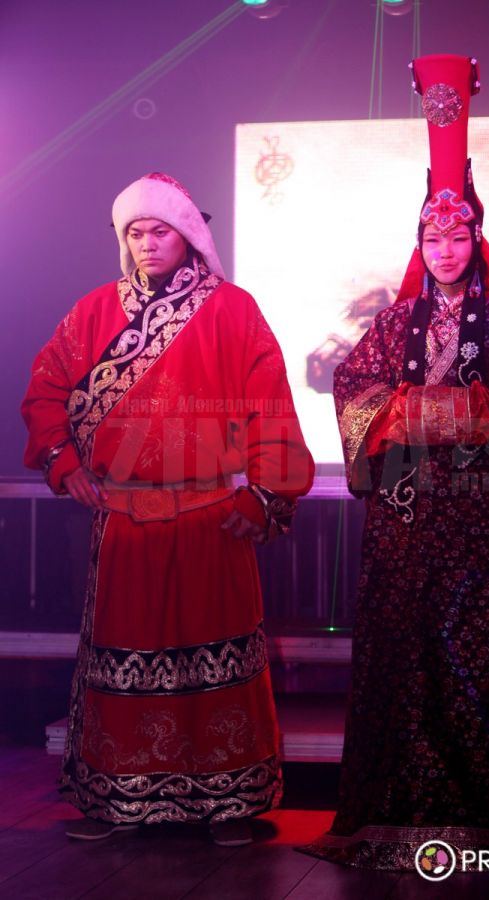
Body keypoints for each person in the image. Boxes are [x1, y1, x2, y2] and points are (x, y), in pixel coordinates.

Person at [300, 55, 489, 871]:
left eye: (458, 234)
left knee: (484, 654)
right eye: (432, 237)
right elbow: (353, 386)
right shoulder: (393, 323)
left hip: (479, 518)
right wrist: (415, 411)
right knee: (403, 657)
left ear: (477, 237)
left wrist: (459, 412)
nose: (445, 248)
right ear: (418, 243)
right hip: (404, 521)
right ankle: (397, 812)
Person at [22, 172, 314, 844]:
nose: (147, 243)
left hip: (212, 518)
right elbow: (43, 394)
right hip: (125, 524)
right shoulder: (92, 312)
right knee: (124, 659)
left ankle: (229, 805)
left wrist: (265, 494)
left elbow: (269, 402)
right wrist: (65, 465)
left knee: (214, 661)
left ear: (187, 235)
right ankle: (118, 801)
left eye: (160, 231)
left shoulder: (233, 310)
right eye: (135, 233)